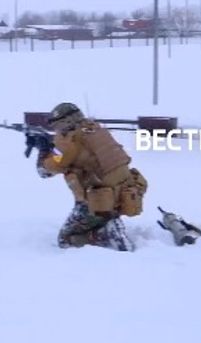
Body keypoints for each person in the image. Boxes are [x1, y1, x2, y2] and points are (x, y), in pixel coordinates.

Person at [37, 103, 148, 251]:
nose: (57, 130)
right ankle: (107, 223)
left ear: (67, 122)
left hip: (98, 202)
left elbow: (47, 170)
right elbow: (86, 154)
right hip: (123, 195)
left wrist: (43, 151)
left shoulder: (73, 140)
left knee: (66, 240)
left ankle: (103, 233)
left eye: (58, 125)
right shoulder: (96, 129)